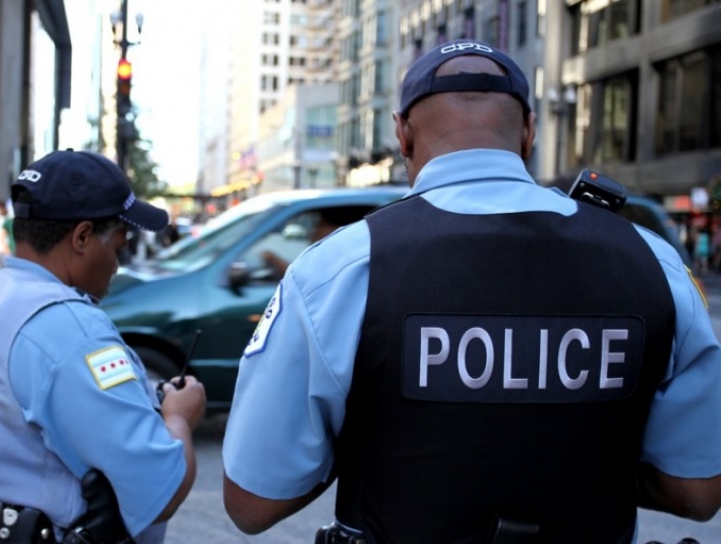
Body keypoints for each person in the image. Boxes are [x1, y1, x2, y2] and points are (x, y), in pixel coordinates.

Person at [221, 40, 721, 543]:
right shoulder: (652, 264)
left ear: (402, 134)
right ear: (529, 132)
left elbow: (252, 502)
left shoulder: (340, 269)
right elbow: (697, 492)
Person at [0, 149, 207, 543]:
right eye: (119, 247)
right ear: (82, 237)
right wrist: (180, 419)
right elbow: (159, 490)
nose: (117, 265)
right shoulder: (72, 328)